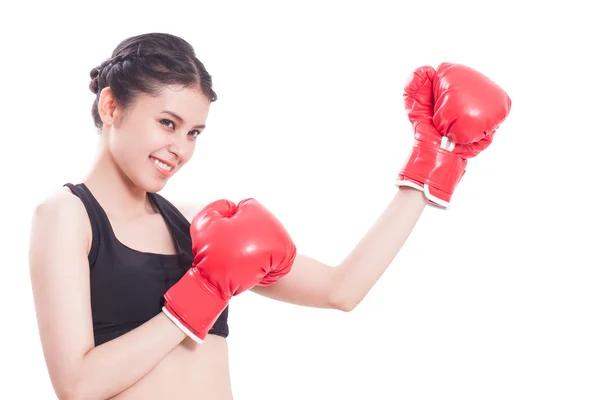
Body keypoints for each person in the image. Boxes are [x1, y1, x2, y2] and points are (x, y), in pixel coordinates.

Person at [28, 32, 511, 399]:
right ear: (111, 106)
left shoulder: (196, 225)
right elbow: (77, 385)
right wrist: (202, 292)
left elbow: (341, 290)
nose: (179, 149)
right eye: (167, 123)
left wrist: (429, 165)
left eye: (194, 133)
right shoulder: (68, 215)